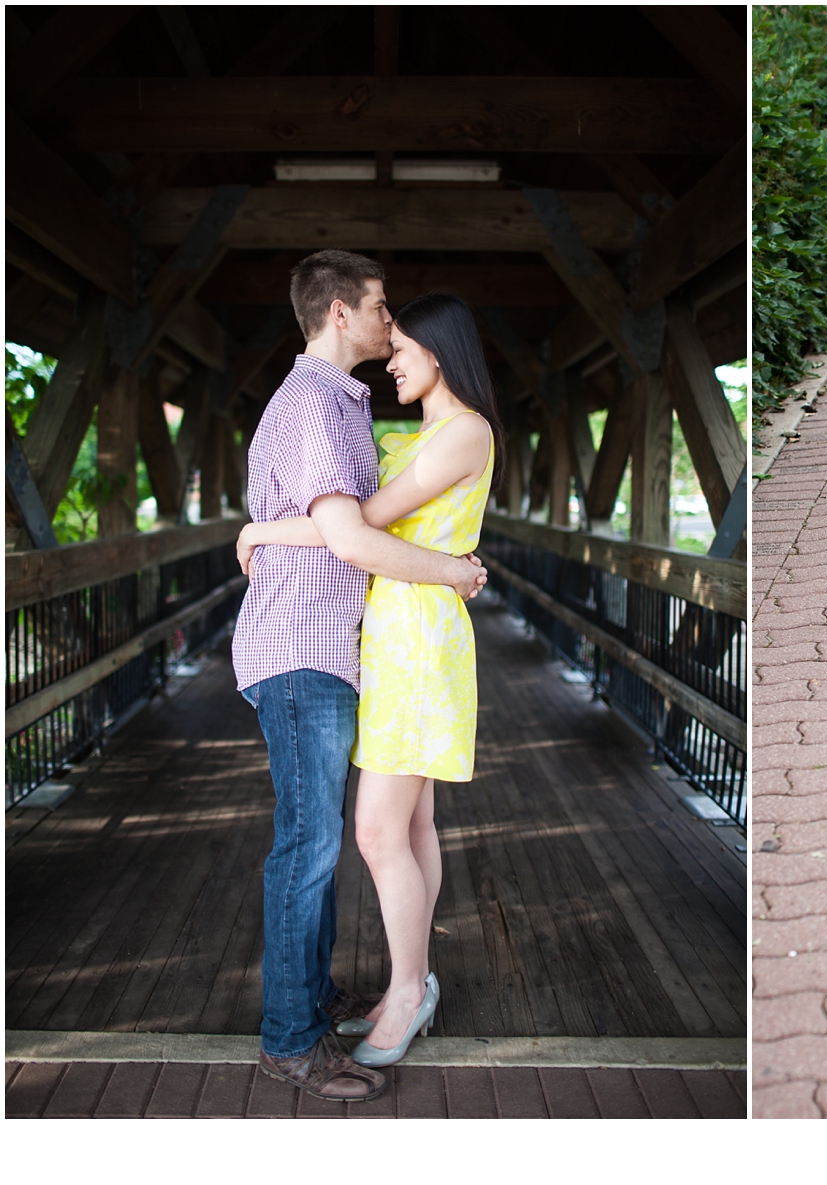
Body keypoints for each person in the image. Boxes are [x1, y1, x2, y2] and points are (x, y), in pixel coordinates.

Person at [232, 252, 489, 1101]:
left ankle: (369, 995)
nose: (389, 339)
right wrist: (450, 570)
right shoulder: (317, 404)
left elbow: (361, 522)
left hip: (377, 644)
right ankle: (295, 1036)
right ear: (341, 312)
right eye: (382, 313)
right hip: (313, 647)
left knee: (372, 833)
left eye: (404, 333)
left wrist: (265, 531)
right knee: (322, 843)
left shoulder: (385, 417)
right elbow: (351, 532)